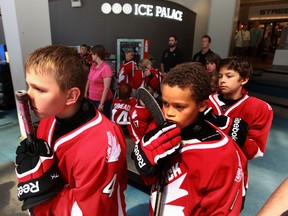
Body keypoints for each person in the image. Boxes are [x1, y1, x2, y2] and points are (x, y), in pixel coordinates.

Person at [15, 45, 127, 215]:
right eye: (29, 85)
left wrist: (38, 198)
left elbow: (87, 211)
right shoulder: (48, 119)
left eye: (39, 89)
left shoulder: (102, 145)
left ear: (70, 96)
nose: (28, 95)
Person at [132, 62, 247, 215]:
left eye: (179, 106)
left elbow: (222, 210)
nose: (168, 113)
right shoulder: (163, 130)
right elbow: (157, 180)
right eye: (165, 103)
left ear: (202, 106)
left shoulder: (222, 154)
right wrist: (145, 164)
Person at [207, 56, 273, 161]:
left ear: (244, 79)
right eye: (220, 76)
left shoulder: (259, 108)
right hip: (201, 162)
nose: (222, 81)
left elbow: (256, 151)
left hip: (232, 169)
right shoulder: (206, 101)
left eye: (229, 76)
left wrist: (237, 134)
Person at [85, 44, 114, 119]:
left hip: (101, 100)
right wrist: (85, 93)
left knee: (103, 119)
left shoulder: (106, 68)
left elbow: (106, 88)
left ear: (96, 55)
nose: (91, 56)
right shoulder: (93, 65)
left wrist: (101, 103)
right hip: (91, 98)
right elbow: (89, 80)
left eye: (92, 54)